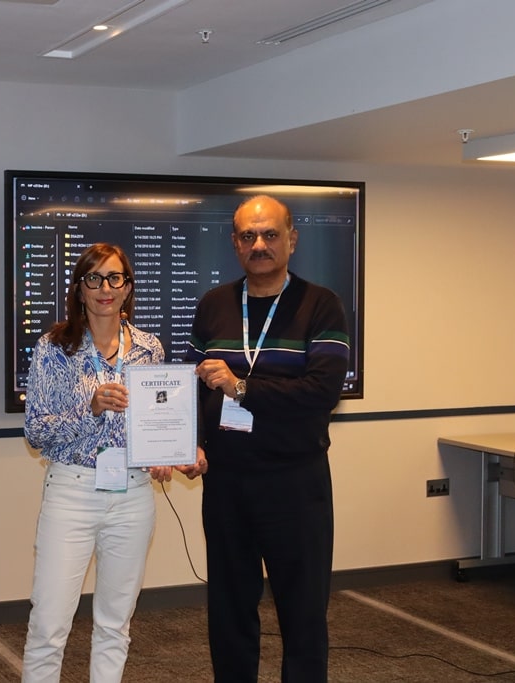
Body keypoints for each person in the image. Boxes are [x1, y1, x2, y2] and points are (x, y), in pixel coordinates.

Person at [185, 195, 350, 682]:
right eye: (248, 236)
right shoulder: (214, 305)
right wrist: (190, 442)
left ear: (291, 240)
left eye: (270, 234)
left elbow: (322, 393)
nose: (259, 244)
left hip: (294, 482)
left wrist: (242, 387)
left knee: (303, 612)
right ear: (235, 244)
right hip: (227, 483)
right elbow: (191, 389)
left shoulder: (322, 305)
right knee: (229, 609)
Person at [22, 242, 171, 683]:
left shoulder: (149, 348)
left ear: (127, 288)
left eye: (114, 278)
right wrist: (89, 409)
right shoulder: (54, 347)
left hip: (133, 495)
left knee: (114, 625)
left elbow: (155, 421)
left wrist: (162, 455)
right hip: (73, 493)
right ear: (80, 289)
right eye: (94, 278)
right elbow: (36, 432)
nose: (105, 288)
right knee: (48, 626)